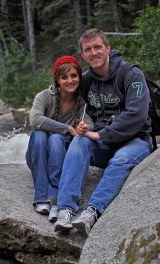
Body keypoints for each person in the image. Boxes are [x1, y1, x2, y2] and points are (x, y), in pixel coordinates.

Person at [54, 28, 152, 236]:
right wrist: (78, 127)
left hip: (136, 140)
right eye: (88, 49)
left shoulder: (131, 74)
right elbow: (63, 97)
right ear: (83, 55)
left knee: (121, 159)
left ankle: (92, 211)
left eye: (97, 47)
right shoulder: (86, 80)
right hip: (104, 143)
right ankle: (66, 209)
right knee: (78, 142)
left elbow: (137, 114)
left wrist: (100, 135)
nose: (93, 52)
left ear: (108, 48)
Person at [26, 56, 93, 222]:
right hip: (39, 154)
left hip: (61, 156)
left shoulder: (82, 103)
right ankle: (41, 198)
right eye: (64, 77)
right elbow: (35, 120)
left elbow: (89, 123)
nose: (70, 80)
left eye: (74, 76)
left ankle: (55, 201)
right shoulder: (44, 96)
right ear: (57, 80)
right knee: (39, 134)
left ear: (79, 77)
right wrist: (68, 128)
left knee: (56, 138)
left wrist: (84, 128)